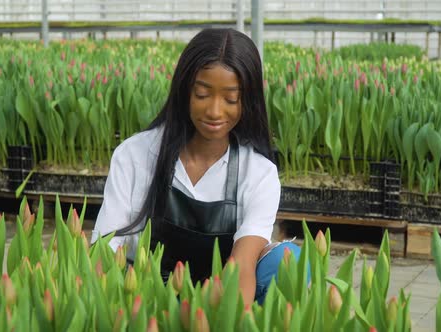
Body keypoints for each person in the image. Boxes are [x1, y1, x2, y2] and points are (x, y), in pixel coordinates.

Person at [91, 28, 300, 306]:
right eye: (202, 94)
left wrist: (211, 318)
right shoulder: (136, 154)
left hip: (219, 294)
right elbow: (106, 247)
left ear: (247, 102)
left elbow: (242, 266)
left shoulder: (258, 172)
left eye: (230, 99)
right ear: (184, 90)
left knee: (289, 260)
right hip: (146, 292)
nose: (214, 111)